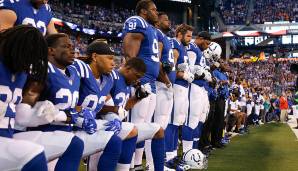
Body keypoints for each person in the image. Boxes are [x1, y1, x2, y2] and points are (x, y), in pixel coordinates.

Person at [122, 0, 165, 170]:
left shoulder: (152, 29)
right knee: (134, 126)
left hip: (150, 83)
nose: (157, 12)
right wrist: (135, 79)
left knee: (144, 127)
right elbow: (129, 53)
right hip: (140, 81)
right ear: (144, 12)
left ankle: (138, 163)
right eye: (154, 10)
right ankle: (127, 165)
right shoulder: (137, 22)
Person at [0, 24, 48, 171]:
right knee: (33, 156)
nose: (30, 61)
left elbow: (20, 115)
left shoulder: (21, 73)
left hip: (7, 136)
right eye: (28, 53)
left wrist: (43, 113)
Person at [165, 24, 194, 167]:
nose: (190, 39)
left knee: (177, 124)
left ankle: (174, 156)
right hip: (175, 87)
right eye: (188, 36)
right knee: (171, 123)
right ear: (179, 34)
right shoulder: (174, 45)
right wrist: (183, 74)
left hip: (183, 88)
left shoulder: (182, 47)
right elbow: (169, 69)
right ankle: (168, 158)